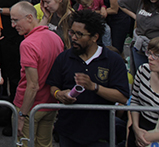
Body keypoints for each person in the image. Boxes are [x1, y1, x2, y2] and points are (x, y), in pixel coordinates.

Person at [47, 10, 130, 147]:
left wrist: (94, 87)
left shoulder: (113, 60)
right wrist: (59, 94)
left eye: (79, 34)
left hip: (100, 135)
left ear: (94, 37)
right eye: (72, 32)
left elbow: (122, 96)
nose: (73, 37)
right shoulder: (64, 58)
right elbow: (53, 86)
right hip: (68, 131)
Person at [10, 1, 64, 145]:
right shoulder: (55, 38)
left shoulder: (28, 44)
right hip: (50, 105)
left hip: (29, 106)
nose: (13, 25)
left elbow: (32, 85)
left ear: (29, 18)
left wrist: (22, 115)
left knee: (23, 143)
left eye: (15, 20)